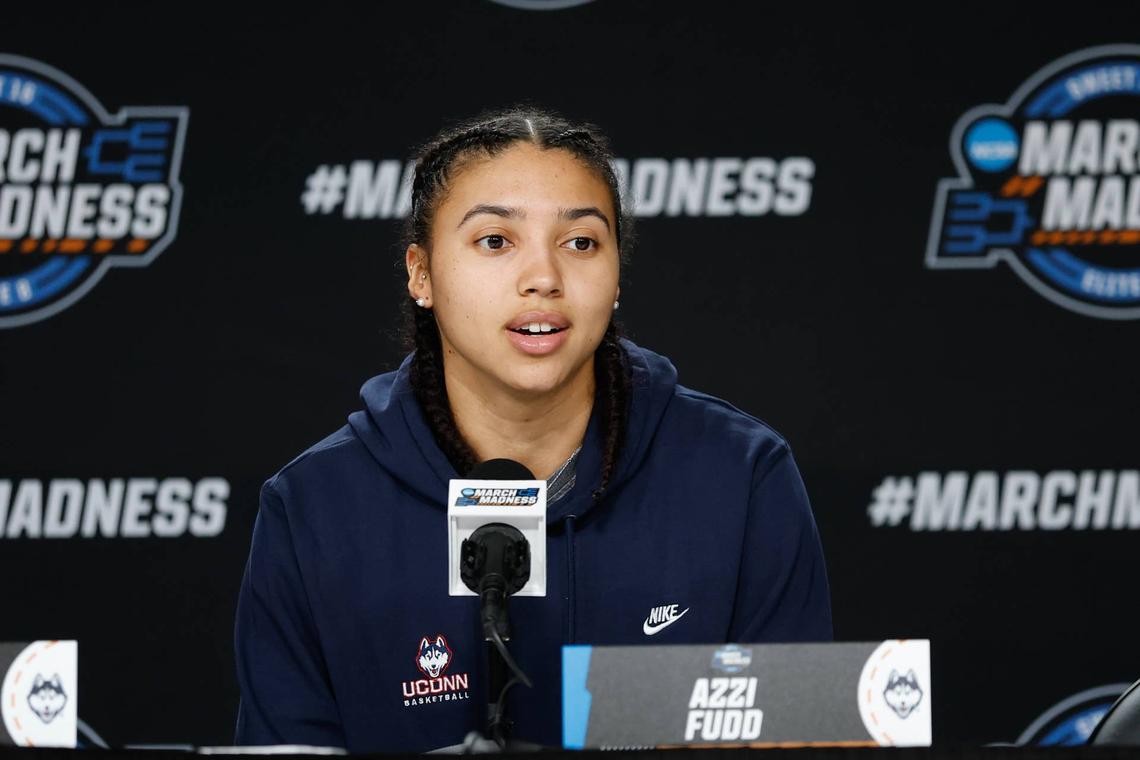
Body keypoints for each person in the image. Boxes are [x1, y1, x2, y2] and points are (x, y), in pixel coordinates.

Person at [233, 107, 832, 753]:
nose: (544, 279)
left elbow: (793, 735)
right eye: (495, 241)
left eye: (581, 243)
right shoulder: (315, 506)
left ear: (618, 274)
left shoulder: (740, 475)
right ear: (421, 274)